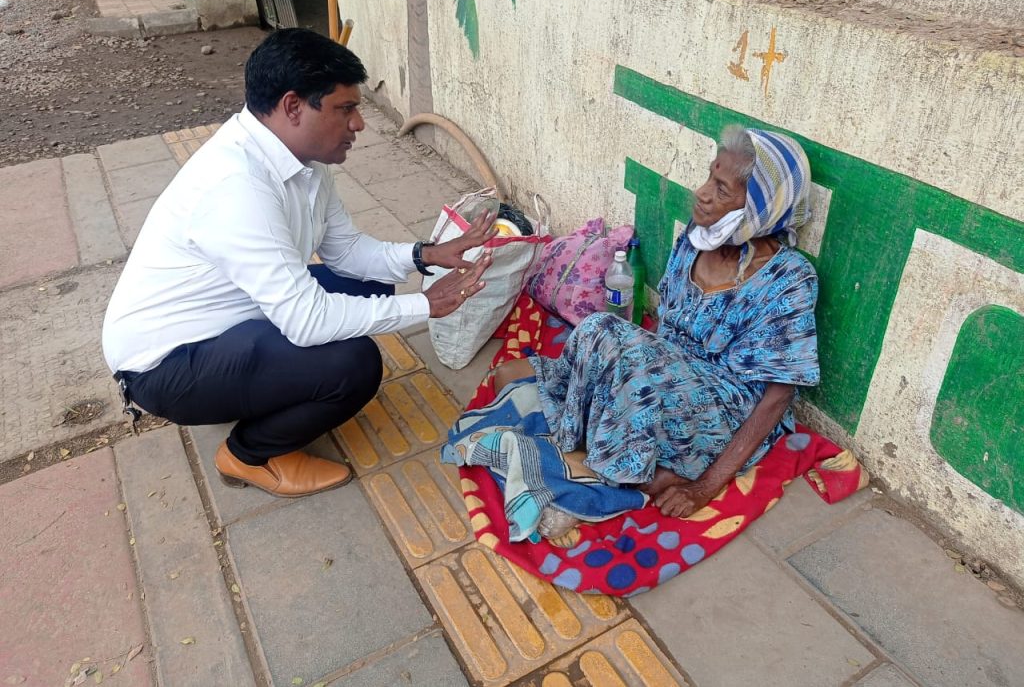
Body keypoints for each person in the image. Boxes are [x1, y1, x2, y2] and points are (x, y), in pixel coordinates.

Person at [102, 28, 494, 498]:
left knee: (364, 287)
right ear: (293, 107)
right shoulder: (236, 186)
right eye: (346, 109)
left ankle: (260, 391)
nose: (359, 125)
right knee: (354, 363)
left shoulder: (303, 161)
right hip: (165, 367)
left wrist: (424, 255)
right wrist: (425, 306)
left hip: (224, 323)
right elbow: (306, 321)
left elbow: (346, 252)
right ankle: (250, 454)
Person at [493, 125, 818, 522]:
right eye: (709, 177)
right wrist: (627, 359)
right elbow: (660, 335)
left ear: (761, 209)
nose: (702, 192)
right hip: (669, 375)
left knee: (626, 373)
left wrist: (705, 487)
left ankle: (613, 470)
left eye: (722, 189)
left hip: (726, 406)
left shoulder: (789, 278)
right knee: (598, 327)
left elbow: (777, 397)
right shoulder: (698, 238)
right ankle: (605, 447)